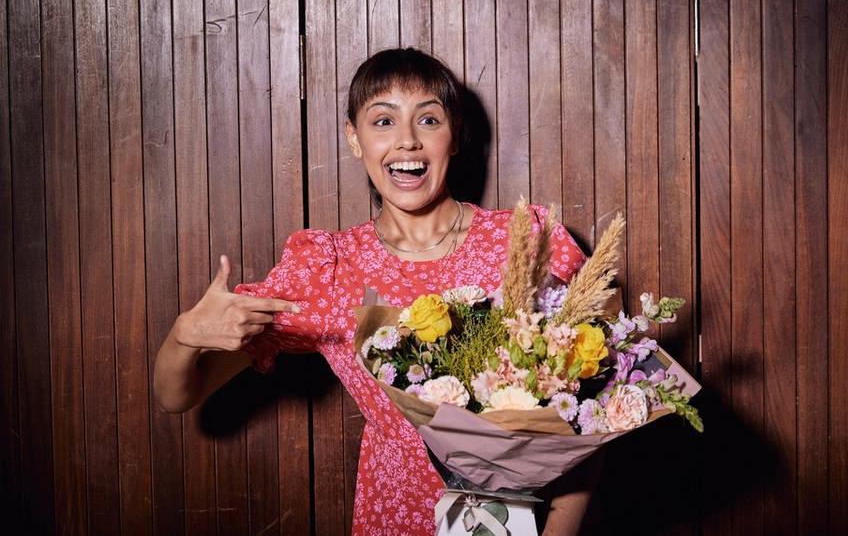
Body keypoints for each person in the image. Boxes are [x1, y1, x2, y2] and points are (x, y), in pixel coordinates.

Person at [153, 48, 595, 535]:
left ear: (455, 136)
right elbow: (178, 394)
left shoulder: (524, 243)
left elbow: (589, 414)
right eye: (382, 121)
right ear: (355, 139)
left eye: (428, 119)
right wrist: (184, 336)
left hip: (531, 518)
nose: (406, 140)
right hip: (395, 517)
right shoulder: (328, 270)